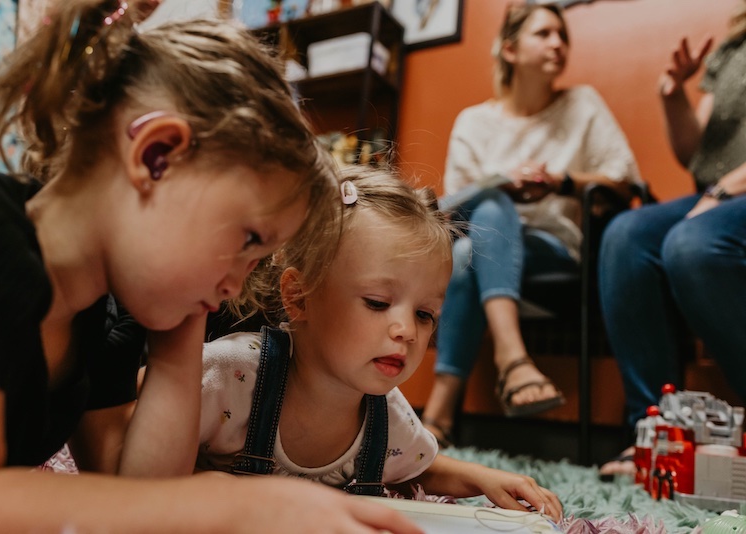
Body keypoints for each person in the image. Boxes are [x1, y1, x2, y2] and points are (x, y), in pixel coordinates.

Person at [0, 1, 422, 532]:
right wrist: (240, 506)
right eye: (246, 238)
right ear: (157, 157)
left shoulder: (95, 316)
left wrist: (184, 323)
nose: (239, 284)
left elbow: (135, 497)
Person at [196, 167, 563, 520]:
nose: (407, 331)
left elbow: (417, 465)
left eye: (425, 314)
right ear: (299, 296)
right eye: (377, 303)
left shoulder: (386, 413)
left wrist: (482, 477)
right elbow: (141, 421)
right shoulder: (232, 372)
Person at [421, 2, 641, 446]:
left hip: (554, 250)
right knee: (480, 228)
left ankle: (441, 415)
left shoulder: (581, 105)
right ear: (509, 50)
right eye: (544, 34)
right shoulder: (474, 122)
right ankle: (510, 362)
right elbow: (452, 209)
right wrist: (503, 183)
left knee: (481, 232)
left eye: (563, 36)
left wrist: (560, 182)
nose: (558, 43)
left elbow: (625, 181)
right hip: (479, 245)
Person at [598, 3, 746, 477]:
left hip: (728, 197)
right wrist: (673, 93)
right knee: (626, 234)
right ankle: (657, 433)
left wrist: (722, 192)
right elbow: (693, 150)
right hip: (715, 194)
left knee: (692, 244)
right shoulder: (731, 47)